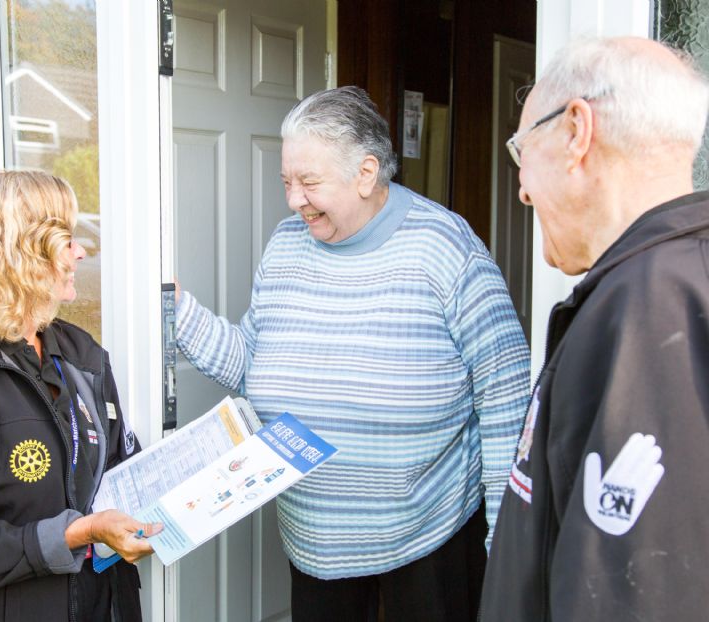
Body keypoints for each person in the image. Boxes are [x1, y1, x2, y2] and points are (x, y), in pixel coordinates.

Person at [174, 86, 530, 621]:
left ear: (366, 173)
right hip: (313, 540)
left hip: (427, 536)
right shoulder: (286, 244)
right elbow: (252, 363)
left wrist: (508, 543)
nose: (294, 199)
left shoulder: (446, 247)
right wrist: (176, 311)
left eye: (309, 183)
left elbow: (506, 398)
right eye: (287, 182)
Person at [480, 37, 709, 621]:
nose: (524, 189)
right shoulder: (654, 282)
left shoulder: (652, 309)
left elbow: (638, 588)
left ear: (576, 132)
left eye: (521, 150)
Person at [0, 171, 162, 622]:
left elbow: (119, 466)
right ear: (15, 255)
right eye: (66, 240)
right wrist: (77, 533)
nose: (81, 252)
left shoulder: (80, 352)